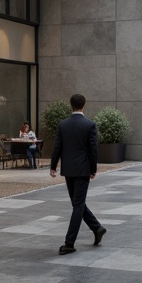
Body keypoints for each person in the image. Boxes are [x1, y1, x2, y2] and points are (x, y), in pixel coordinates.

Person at [50, 93, 105, 255]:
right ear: (84, 105)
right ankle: (96, 229)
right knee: (78, 204)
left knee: (77, 204)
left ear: (70, 105)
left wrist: (53, 166)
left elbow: (57, 147)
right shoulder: (90, 125)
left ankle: (70, 242)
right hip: (82, 170)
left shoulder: (63, 125)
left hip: (68, 169)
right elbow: (93, 150)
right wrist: (93, 169)